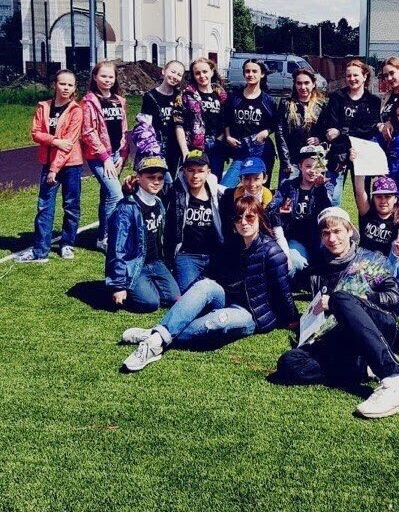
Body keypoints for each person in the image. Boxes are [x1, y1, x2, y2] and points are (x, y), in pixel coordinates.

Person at [121, 195, 298, 373]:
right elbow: (210, 272)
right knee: (204, 285)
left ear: (260, 217)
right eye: (238, 218)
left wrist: (293, 319)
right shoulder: (233, 243)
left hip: (252, 313)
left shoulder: (272, 252)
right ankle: (159, 336)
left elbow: (283, 291)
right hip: (227, 298)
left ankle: (155, 337)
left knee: (216, 323)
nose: (244, 222)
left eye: (250, 217)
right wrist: (192, 296)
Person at [273, 207, 399, 419]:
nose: (332, 239)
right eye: (326, 233)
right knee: (289, 363)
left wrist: (356, 300)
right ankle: (364, 368)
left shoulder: (371, 259)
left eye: (337, 231)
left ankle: (394, 379)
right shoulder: (318, 266)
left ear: (350, 231)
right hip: (341, 335)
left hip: (378, 325)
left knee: (340, 298)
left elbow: (394, 297)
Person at [15, 69, 83, 263]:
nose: (66, 88)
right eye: (62, 83)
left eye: (70, 85)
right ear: (55, 85)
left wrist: (54, 169)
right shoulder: (43, 107)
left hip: (70, 165)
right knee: (44, 206)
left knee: (71, 205)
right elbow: (35, 133)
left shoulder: (76, 110)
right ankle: (40, 251)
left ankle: (67, 243)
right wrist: (54, 141)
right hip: (48, 164)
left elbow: (68, 144)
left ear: (74, 88)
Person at [105, 155, 181, 313]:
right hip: (135, 265)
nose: (156, 182)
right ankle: (127, 288)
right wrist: (118, 286)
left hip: (156, 262)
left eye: (160, 178)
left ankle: (145, 286)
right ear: (138, 177)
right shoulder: (126, 209)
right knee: (150, 303)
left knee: (174, 298)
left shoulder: (158, 203)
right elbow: (117, 248)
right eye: (151, 177)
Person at [82, 59, 129, 252]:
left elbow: (124, 128)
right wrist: (105, 157)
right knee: (116, 194)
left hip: (116, 154)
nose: (107, 80)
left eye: (111, 76)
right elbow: (88, 131)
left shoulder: (119, 100)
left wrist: (123, 154)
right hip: (99, 156)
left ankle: (102, 235)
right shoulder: (89, 101)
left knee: (107, 195)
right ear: (95, 77)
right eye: (103, 76)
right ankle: (107, 237)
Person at [321, 59, 381, 205]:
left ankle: (364, 221)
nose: (352, 79)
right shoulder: (337, 97)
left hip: (361, 152)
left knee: (363, 198)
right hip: (338, 152)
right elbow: (331, 124)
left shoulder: (373, 101)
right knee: (332, 197)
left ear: (365, 76)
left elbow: (369, 128)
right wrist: (341, 132)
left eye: (356, 75)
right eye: (348, 76)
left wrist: (341, 132)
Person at [267, 145, 331, 279]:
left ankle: (309, 271)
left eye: (317, 167)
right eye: (308, 166)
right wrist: (279, 211)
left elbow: (327, 215)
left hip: (317, 239)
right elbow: (271, 208)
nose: (312, 171)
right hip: (295, 237)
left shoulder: (324, 188)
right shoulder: (288, 186)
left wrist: (320, 189)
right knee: (293, 263)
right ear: (300, 166)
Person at [165, 150, 225, 293]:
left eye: (200, 171)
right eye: (191, 170)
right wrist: (130, 188)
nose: (195, 176)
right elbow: (152, 191)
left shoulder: (218, 194)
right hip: (187, 255)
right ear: (183, 171)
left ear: (208, 172)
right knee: (190, 293)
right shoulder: (175, 193)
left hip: (213, 255)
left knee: (222, 292)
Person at [222, 58, 278, 187]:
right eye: (247, 71)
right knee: (225, 187)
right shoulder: (234, 97)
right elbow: (226, 119)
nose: (250, 74)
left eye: (254, 71)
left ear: (262, 74)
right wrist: (228, 136)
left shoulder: (268, 100)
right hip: (241, 151)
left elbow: (276, 123)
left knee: (260, 190)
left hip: (261, 151)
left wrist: (266, 132)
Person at [173, 56, 227, 179]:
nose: (202, 76)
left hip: (216, 147)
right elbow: (178, 124)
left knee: (214, 181)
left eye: (205, 71)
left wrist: (221, 138)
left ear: (212, 72)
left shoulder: (221, 94)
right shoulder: (186, 95)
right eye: (197, 73)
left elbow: (226, 120)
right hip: (194, 147)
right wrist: (185, 151)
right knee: (194, 181)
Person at [276, 67, 327, 181]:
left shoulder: (321, 105)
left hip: (315, 157)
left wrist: (319, 138)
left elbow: (327, 130)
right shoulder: (286, 104)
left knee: (314, 190)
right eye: (299, 83)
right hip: (292, 159)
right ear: (294, 84)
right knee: (288, 191)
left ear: (313, 84)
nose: (303, 87)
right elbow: (280, 134)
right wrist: (285, 161)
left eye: (306, 83)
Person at [138, 60, 186, 178]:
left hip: (175, 148)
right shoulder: (150, 96)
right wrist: (151, 149)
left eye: (179, 75)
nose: (175, 76)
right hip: (157, 148)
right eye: (173, 72)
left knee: (173, 180)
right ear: (164, 71)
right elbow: (145, 126)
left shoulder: (180, 97)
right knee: (161, 179)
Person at [353, 174, 399, 256]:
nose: (383, 201)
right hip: (362, 260)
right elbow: (359, 192)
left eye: (388, 197)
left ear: (395, 199)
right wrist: (359, 168)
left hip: (387, 262)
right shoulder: (367, 213)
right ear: (373, 198)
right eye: (379, 197)